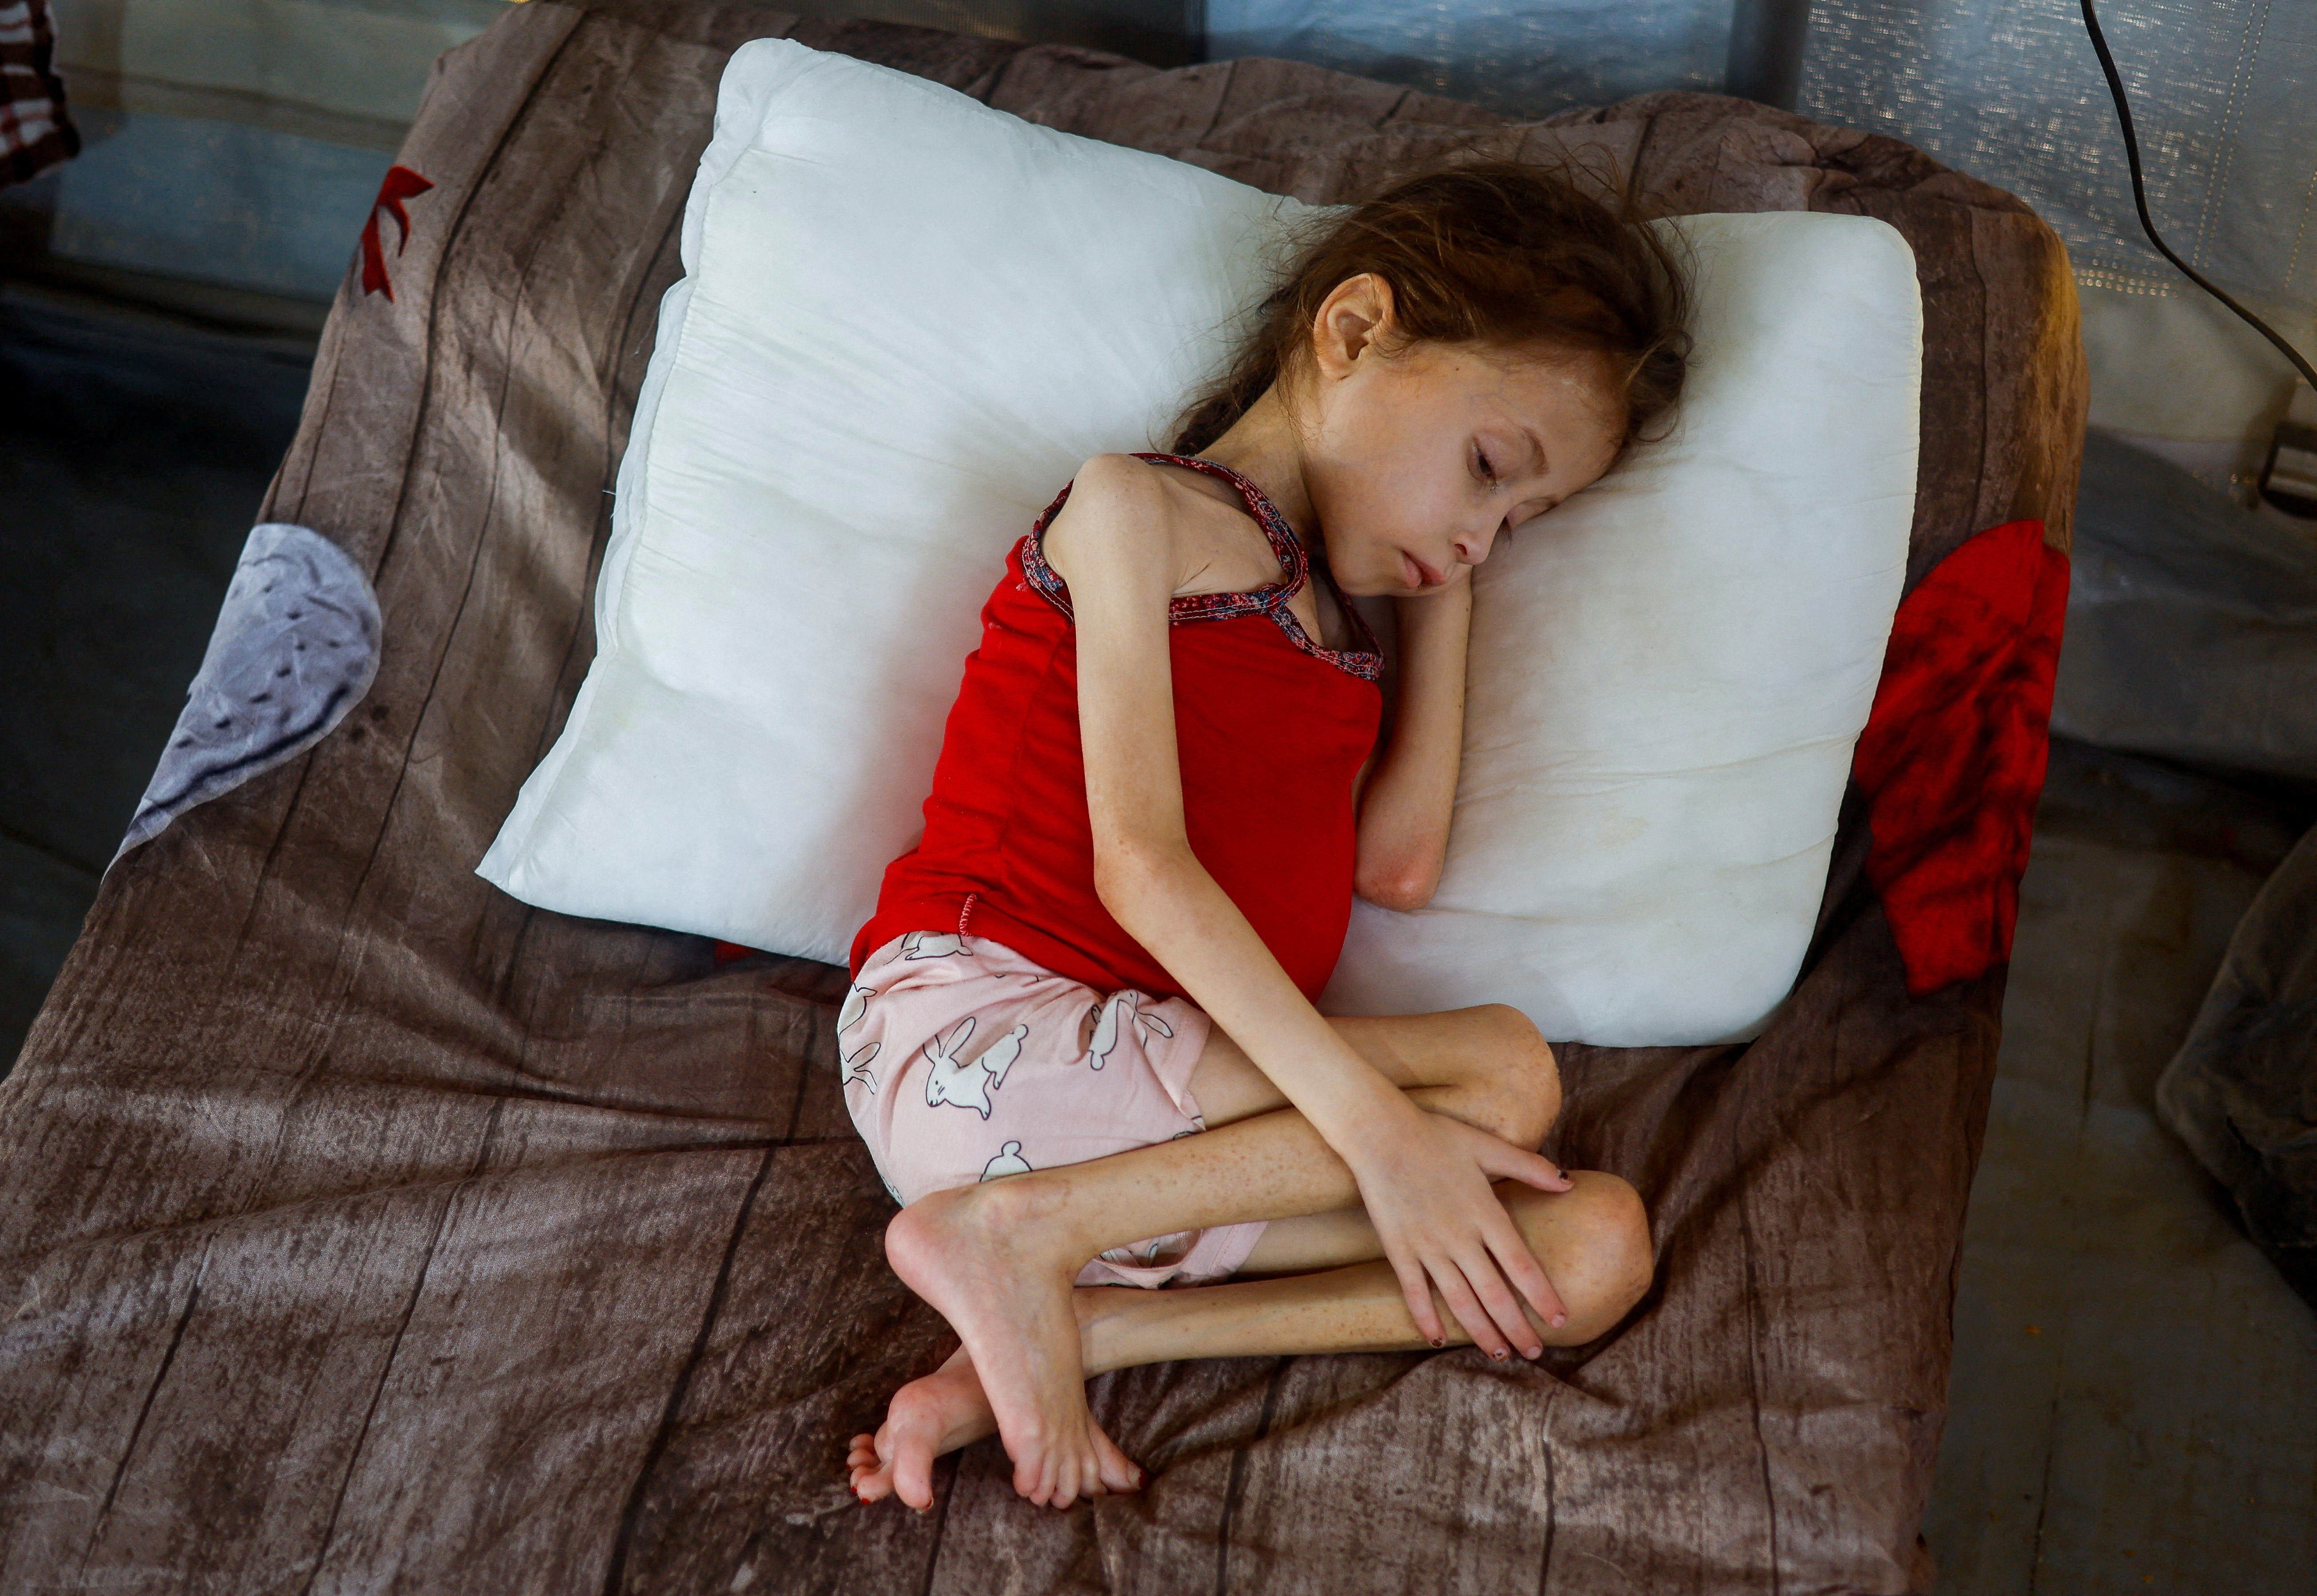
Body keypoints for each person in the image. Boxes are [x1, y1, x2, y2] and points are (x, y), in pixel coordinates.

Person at [837, 160, 1690, 1513]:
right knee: (1506, 1072)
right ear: (1352, 332)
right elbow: (1142, 867)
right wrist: (1379, 1133)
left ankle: (1076, 1303)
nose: (1480, 538)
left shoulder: (1344, 641)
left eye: (1519, 522)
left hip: (1132, 1155)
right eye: (1486, 468)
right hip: (974, 1040)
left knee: (1593, 1249)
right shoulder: (1137, 509)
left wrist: (1445, 577)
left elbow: (1398, 863)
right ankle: (1015, 1230)